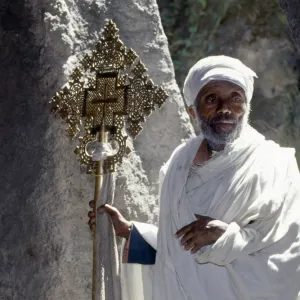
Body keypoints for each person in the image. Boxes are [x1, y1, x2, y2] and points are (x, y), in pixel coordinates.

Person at [88, 56, 300, 300]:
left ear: (247, 107)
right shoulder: (178, 165)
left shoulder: (275, 164)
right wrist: (130, 233)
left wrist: (226, 237)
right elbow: (177, 252)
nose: (225, 108)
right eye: (212, 99)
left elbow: (287, 255)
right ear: (193, 111)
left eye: (235, 98)